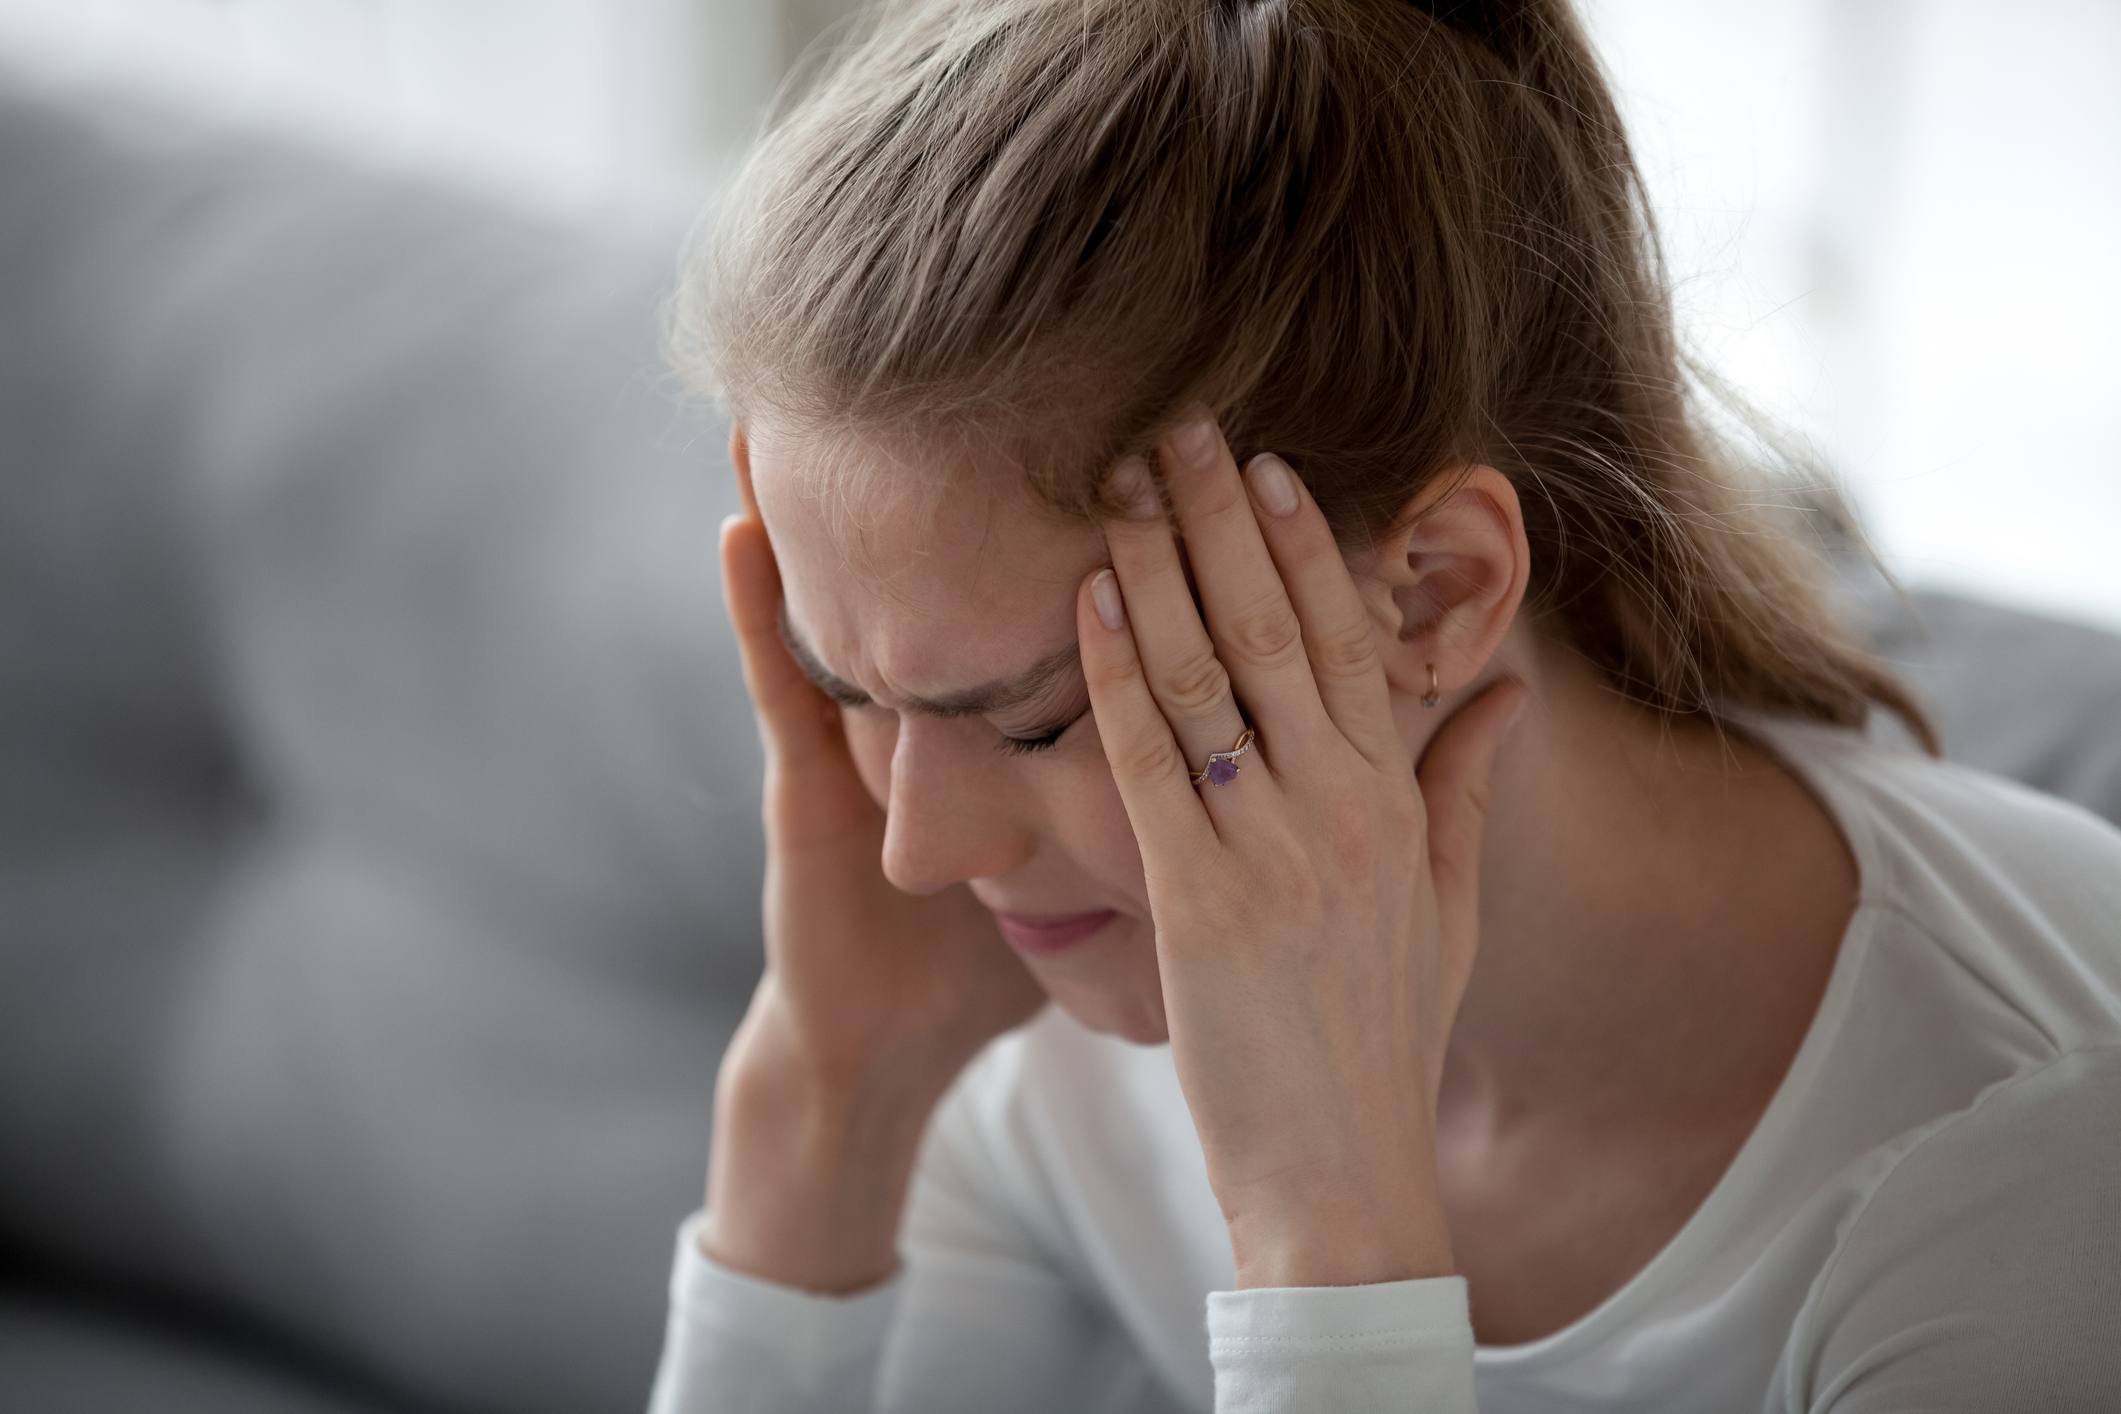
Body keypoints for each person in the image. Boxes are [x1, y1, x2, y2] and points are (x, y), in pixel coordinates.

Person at [647, 0, 2121, 1409]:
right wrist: (829, 1087)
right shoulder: (1053, 1022)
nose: (919, 848)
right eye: (852, 689)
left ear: (1429, 593)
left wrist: (1327, 1230)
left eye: (1036, 718)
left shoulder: (2023, 1151)